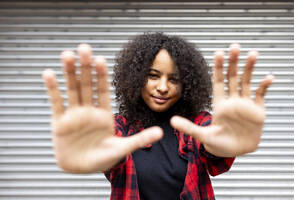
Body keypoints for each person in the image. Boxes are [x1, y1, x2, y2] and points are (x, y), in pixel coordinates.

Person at [42, 32, 273, 200]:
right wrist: (90, 150)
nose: (162, 87)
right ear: (136, 78)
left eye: (174, 79)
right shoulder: (120, 127)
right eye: (153, 76)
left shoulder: (197, 125)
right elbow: (108, 150)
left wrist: (227, 142)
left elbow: (212, 143)